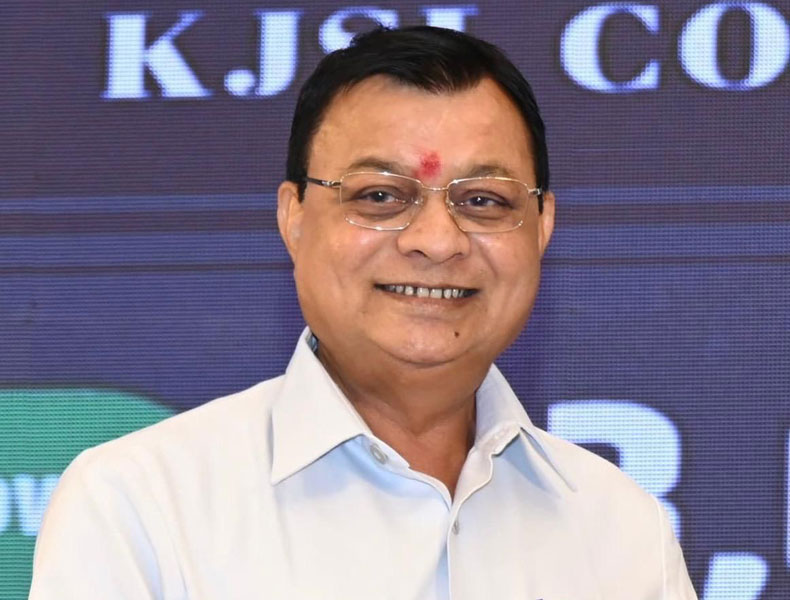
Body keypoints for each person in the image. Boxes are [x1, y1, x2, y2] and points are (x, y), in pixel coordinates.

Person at [29, 26, 697, 599]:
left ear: (542, 225)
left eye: (483, 201)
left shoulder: (619, 529)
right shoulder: (143, 505)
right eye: (380, 196)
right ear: (293, 217)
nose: (436, 240)